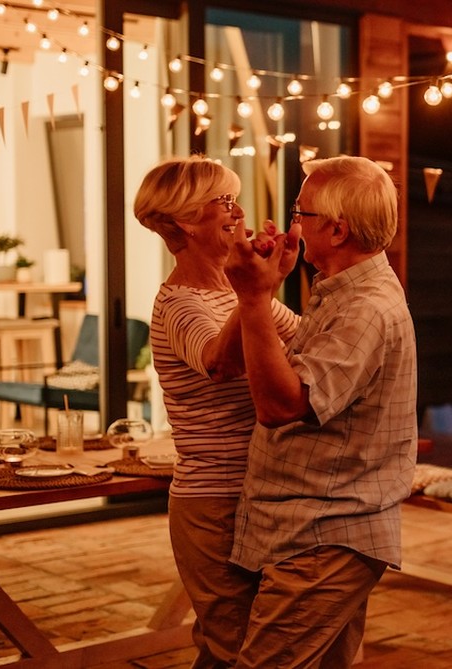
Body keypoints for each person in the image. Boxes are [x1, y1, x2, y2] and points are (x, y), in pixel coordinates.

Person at [224, 155, 418, 667]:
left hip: (326, 535)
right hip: (311, 527)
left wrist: (252, 297)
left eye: (301, 212)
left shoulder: (365, 309)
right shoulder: (340, 293)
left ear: (337, 229)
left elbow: (280, 405)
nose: (294, 225)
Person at [134, 156, 299, 668]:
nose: (238, 210)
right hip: (212, 502)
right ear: (184, 219)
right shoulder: (179, 303)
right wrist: (257, 292)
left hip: (259, 491)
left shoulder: (237, 292)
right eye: (223, 200)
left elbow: (305, 341)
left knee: (231, 645)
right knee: (238, 647)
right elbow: (219, 361)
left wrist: (267, 281)